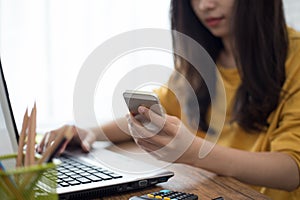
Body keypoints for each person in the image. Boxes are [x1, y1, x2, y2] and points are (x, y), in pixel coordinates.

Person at [38, 0, 300, 199]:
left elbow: (291, 170)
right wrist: (89, 132)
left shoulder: (295, 57)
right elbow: (158, 110)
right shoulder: (200, 62)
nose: (204, 5)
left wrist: (195, 153)